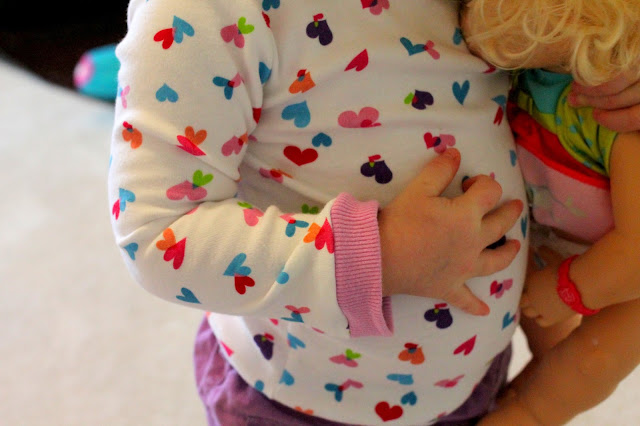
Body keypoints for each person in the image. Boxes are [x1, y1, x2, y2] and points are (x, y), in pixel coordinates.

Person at [108, 0, 638, 424]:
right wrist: (380, 254)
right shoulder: (203, 11)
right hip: (296, 400)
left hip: (469, 381)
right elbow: (157, 237)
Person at [461, 0, 640, 424]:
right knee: (548, 339)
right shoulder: (531, 70)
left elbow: (636, 252)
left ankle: (530, 414)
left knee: (588, 364)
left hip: (624, 280)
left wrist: (568, 291)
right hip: (550, 237)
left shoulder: (617, 115)